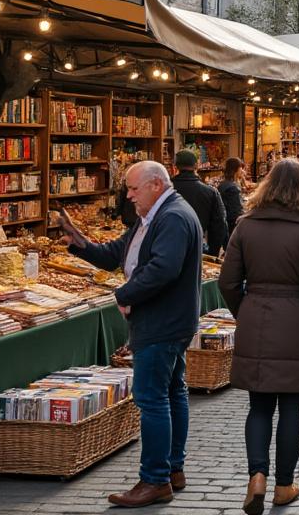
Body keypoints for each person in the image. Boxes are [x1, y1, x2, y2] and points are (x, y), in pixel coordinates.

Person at [60, 161, 202, 507]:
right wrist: (79, 244)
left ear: (155, 185)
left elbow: (163, 269)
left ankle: (154, 479)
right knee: (171, 392)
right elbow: (116, 254)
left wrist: (125, 294)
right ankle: (172, 469)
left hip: (162, 321)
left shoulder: (172, 217)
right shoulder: (152, 216)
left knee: (152, 397)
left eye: (133, 189)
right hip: (168, 319)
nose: (129, 195)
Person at [220, 158, 299, 515]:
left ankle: (257, 475)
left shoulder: (245, 226)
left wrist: (246, 309)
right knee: (291, 407)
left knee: (258, 405)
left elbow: (227, 282)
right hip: (298, 322)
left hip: (256, 316)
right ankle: (283, 485)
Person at [170, 150, 229, 257]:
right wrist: (213, 253)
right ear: (196, 166)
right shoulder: (210, 192)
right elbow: (219, 224)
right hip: (196, 247)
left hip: (167, 246)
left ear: (174, 167)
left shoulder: (165, 190)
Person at [218, 157, 247, 233]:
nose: (242, 170)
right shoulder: (233, 188)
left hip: (224, 224)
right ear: (235, 169)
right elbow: (237, 212)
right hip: (232, 227)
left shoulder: (223, 184)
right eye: (240, 167)